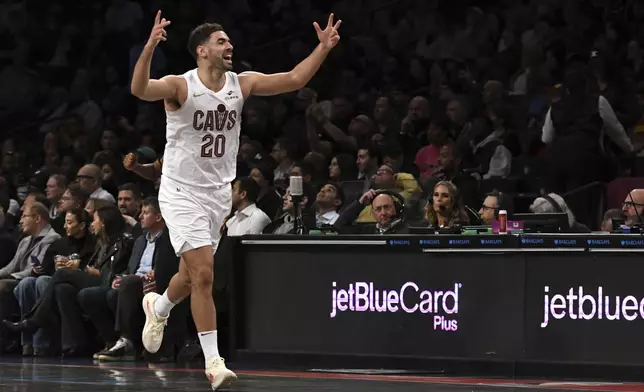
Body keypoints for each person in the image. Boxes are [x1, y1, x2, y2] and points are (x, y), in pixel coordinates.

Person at [130, 10, 341, 390]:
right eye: (221, 42)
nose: (230, 46)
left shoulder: (240, 84)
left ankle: (158, 306)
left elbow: (294, 79)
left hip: (217, 194)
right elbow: (140, 90)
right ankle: (214, 363)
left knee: (190, 275)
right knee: (205, 275)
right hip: (180, 190)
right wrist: (148, 47)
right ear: (202, 51)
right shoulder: (181, 86)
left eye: (229, 40)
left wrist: (323, 48)